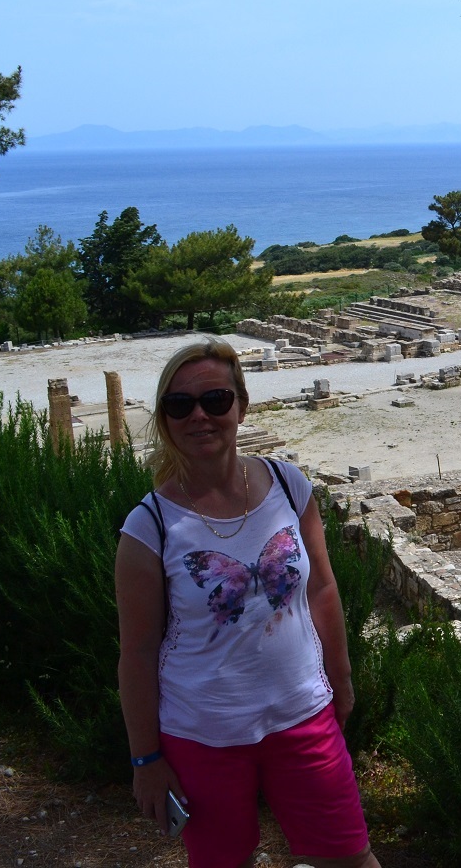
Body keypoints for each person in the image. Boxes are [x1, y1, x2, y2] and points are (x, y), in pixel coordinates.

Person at [116, 339, 379, 868]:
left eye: (215, 399)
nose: (199, 416)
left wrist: (342, 678)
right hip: (203, 733)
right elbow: (138, 653)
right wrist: (145, 759)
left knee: (350, 858)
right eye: (180, 405)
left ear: (241, 404)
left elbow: (322, 588)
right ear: (165, 419)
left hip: (303, 712)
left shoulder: (288, 484)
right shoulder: (150, 527)